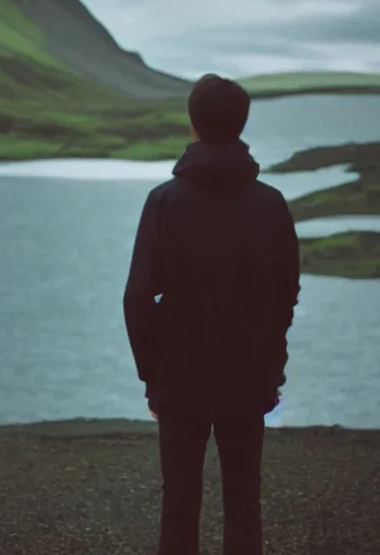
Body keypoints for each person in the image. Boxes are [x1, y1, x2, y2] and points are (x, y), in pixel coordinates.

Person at [123, 73, 300, 555]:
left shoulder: (164, 201)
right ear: (241, 124)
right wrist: (272, 369)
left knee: (178, 506)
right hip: (249, 378)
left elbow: (138, 297)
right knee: (244, 504)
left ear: (193, 124)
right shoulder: (271, 204)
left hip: (179, 380)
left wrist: (152, 377)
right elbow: (285, 296)